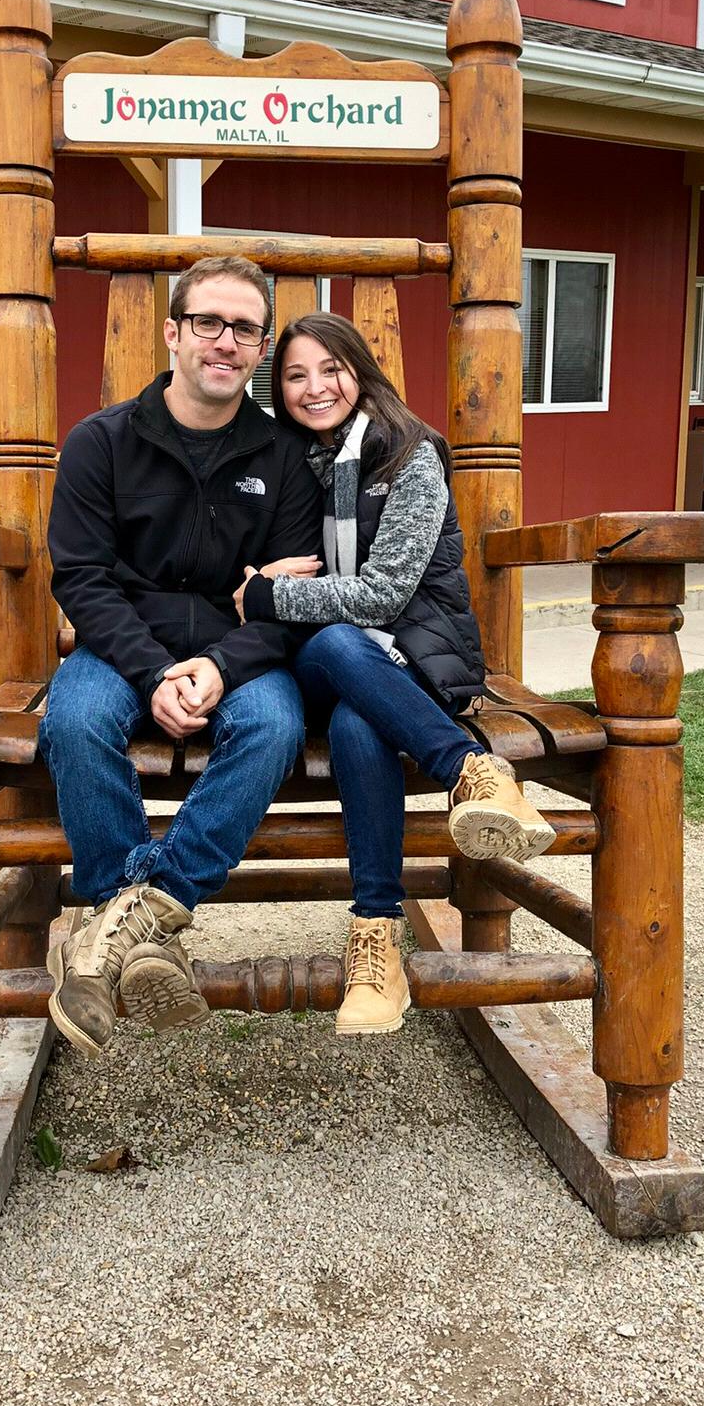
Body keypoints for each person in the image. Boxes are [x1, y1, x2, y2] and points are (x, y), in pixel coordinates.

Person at [234, 312, 556, 1038]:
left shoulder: (411, 456)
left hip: (413, 658)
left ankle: (374, 934)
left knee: (357, 712)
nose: (315, 388)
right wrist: (256, 581)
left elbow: (385, 594)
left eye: (331, 368)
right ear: (276, 388)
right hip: (314, 660)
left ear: (361, 368)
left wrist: (270, 593)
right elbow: (234, 564)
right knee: (336, 648)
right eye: (294, 375)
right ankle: (473, 771)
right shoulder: (279, 464)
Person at [42, 255, 324, 1056]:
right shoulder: (101, 443)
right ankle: (132, 927)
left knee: (272, 727)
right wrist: (151, 670)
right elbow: (83, 577)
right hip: (121, 644)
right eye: (209, 322)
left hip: (237, 653)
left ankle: (126, 924)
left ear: (260, 347)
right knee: (76, 719)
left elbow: (290, 597)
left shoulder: (283, 460)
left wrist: (225, 665)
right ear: (173, 333)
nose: (225, 341)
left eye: (244, 329)